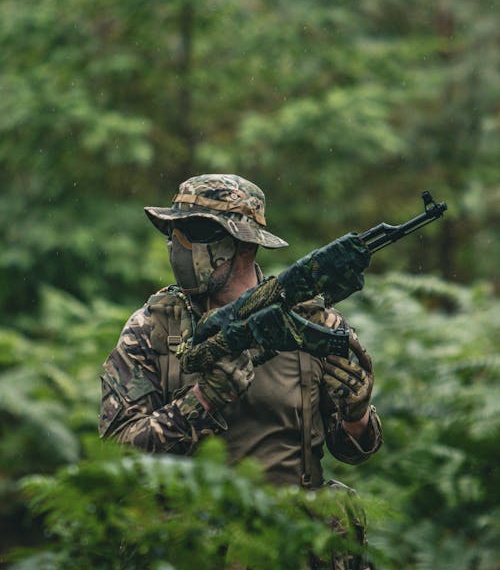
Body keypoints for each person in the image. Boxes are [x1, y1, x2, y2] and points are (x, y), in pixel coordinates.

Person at [99, 174, 382, 490]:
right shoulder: (154, 328)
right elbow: (117, 456)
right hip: (188, 532)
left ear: (244, 244)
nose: (180, 243)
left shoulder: (314, 322)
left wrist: (356, 416)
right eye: (173, 231)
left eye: (197, 232)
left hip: (290, 530)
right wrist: (201, 401)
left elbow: (353, 451)